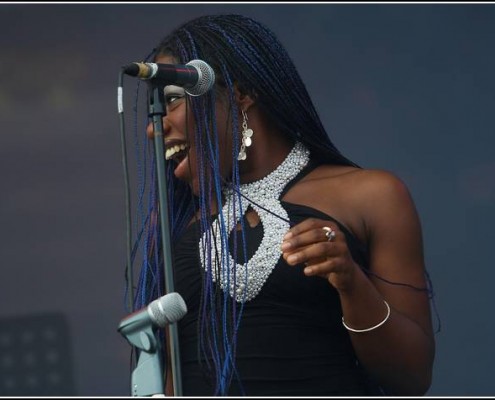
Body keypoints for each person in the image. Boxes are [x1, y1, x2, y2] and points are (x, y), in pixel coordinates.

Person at [130, 13, 435, 396]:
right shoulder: (174, 221)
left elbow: (411, 378)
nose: (153, 127)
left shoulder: (372, 195)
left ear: (241, 93)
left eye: (173, 100)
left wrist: (351, 282)